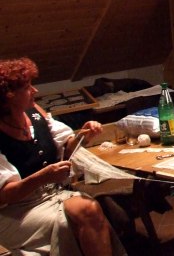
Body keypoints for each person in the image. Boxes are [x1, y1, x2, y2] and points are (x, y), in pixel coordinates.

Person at [0, 57, 125, 255]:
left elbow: (66, 149)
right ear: (9, 95)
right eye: (27, 87)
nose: (35, 91)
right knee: (85, 212)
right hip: (15, 210)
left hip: (53, 192)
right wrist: (42, 177)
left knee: (89, 209)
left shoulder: (35, 114)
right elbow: (4, 195)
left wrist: (83, 136)